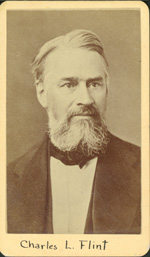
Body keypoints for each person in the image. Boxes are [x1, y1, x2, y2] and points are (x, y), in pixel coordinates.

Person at [7, 29, 141, 234]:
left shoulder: (144, 170)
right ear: (41, 92)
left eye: (94, 84)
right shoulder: (8, 181)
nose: (86, 99)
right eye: (69, 84)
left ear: (107, 88)